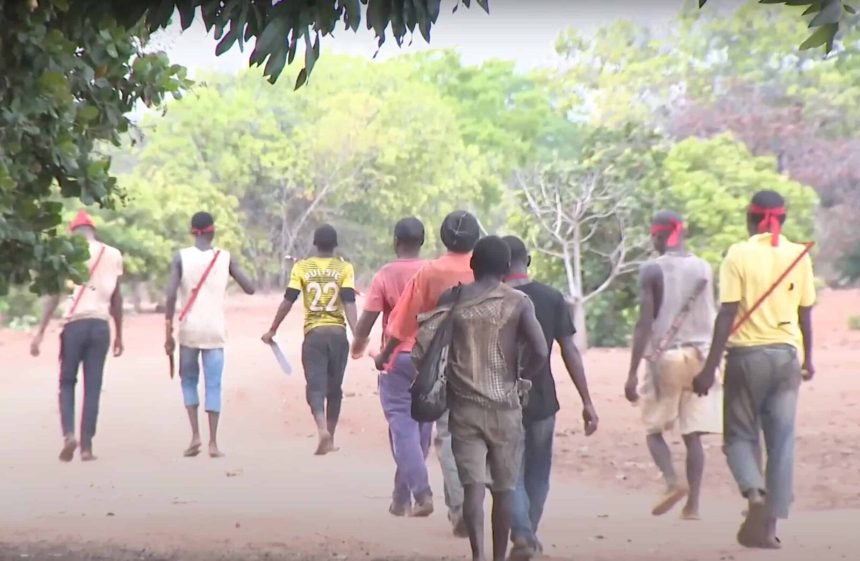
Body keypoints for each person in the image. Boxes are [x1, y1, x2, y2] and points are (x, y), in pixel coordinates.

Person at [693, 191, 815, 549]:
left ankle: (754, 494)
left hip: (747, 358)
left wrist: (709, 368)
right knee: (781, 443)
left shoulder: (738, 254)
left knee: (739, 437)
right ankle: (768, 529)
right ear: (784, 219)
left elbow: (727, 312)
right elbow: (805, 313)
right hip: (787, 356)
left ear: (749, 219)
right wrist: (808, 358)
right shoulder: (799, 256)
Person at [423, 236, 548, 561]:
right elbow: (539, 350)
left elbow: (428, 346)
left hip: (463, 407)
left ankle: (478, 556)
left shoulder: (452, 297)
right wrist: (521, 377)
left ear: (473, 265)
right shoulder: (519, 302)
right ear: (507, 267)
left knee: (473, 487)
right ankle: (497, 557)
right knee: (504, 488)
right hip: (505, 407)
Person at [374, 210, 481, 536]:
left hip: (431, 360)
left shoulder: (430, 272)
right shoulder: (485, 270)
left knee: (432, 432)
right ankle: (465, 507)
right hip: (474, 362)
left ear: (443, 238)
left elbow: (405, 322)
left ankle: (437, 499)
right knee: (463, 434)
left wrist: (386, 352)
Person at [501, 236, 599, 560]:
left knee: (508, 471)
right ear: (526, 261)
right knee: (538, 471)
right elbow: (570, 350)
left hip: (501, 399)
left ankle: (523, 534)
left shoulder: (491, 299)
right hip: (543, 399)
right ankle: (528, 532)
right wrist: (587, 401)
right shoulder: (551, 298)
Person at [625, 211, 721, 521]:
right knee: (693, 435)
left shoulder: (653, 270)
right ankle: (692, 506)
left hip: (667, 358)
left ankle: (672, 481)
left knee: (654, 430)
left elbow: (645, 322)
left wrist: (631, 372)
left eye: (653, 236)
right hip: (702, 358)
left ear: (659, 236)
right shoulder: (705, 267)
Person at [350, 217, 433, 517]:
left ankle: (422, 492)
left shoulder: (385, 275)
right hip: (430, 359)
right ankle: (401, 498)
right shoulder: (432, 272)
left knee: (402, 426)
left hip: (396, 358)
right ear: (422, 242)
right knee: (421, 430)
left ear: (395, 241)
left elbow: (366, 321)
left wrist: (358, 346)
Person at [30, 209, 124, 462]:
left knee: (66, 382)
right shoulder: (113, 254)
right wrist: (120, 335)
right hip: (101, 325)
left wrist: (39, 332)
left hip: (74, 326)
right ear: (93, 231)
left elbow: (52, 298)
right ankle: (86, 448)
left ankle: (68, 434)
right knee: (93, 386)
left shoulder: (65, 255)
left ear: (73, 234)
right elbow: (117, 298)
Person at [165, 211, 255, 458]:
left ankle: (195, 436)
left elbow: (171, 295)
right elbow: (250, 287)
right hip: (215, 331)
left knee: (188, 381)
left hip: (189, 331)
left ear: (192, 232)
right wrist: (232, 268)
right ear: (212, 231)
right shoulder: (224, 257)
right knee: (213, 384)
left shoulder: (180, 258)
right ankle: (213, 443)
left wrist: (167, 332)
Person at [262, 224, 358, 455]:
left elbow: (289, 299)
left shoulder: (302, 268)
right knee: (335, 389)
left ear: (315, 244)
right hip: (337, 334)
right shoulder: (344, 268)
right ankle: (331, 439)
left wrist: (273, 329)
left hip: (314, 335)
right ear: (335, 245)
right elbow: (349, 302)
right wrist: (358, 336)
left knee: (315, 387)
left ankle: (321, 429)